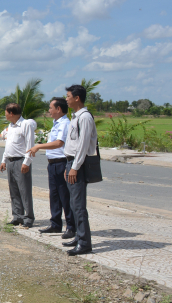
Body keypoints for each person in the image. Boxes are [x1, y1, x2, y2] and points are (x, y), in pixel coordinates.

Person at [27, 97, 75, 239]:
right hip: (53, 163)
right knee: (54, 195)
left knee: (64, 196)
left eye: (50, 108)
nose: (49, 111)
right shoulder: (56, 123)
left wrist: (38, 146)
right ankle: (55, 224)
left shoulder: (65, 123)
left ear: (58, 109)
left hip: (61, 162)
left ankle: (71, 227)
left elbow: (59, 143)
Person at [61, 84, 96, 256]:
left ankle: (84, 243)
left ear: (77, 98)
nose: (66, 99)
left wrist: (74, 167)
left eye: (68, 96)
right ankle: (78, 236)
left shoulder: (85, 118)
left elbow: (82, 146)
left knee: (79, 205)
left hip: (78, 165)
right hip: (70, 163)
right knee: (73, 204)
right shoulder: (75, 117)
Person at [0, 103, 36, 228]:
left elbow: (30, 145)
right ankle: (17, 216)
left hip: (21, 161)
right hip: (10, 160)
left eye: (6, 112)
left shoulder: (25, 125)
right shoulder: (11, 127)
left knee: (24, 190)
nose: (5, 114)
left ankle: (29, 218)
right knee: (14, 190)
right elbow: (8, 145)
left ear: (11, 113)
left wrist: (27, 162)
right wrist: (3, 160)